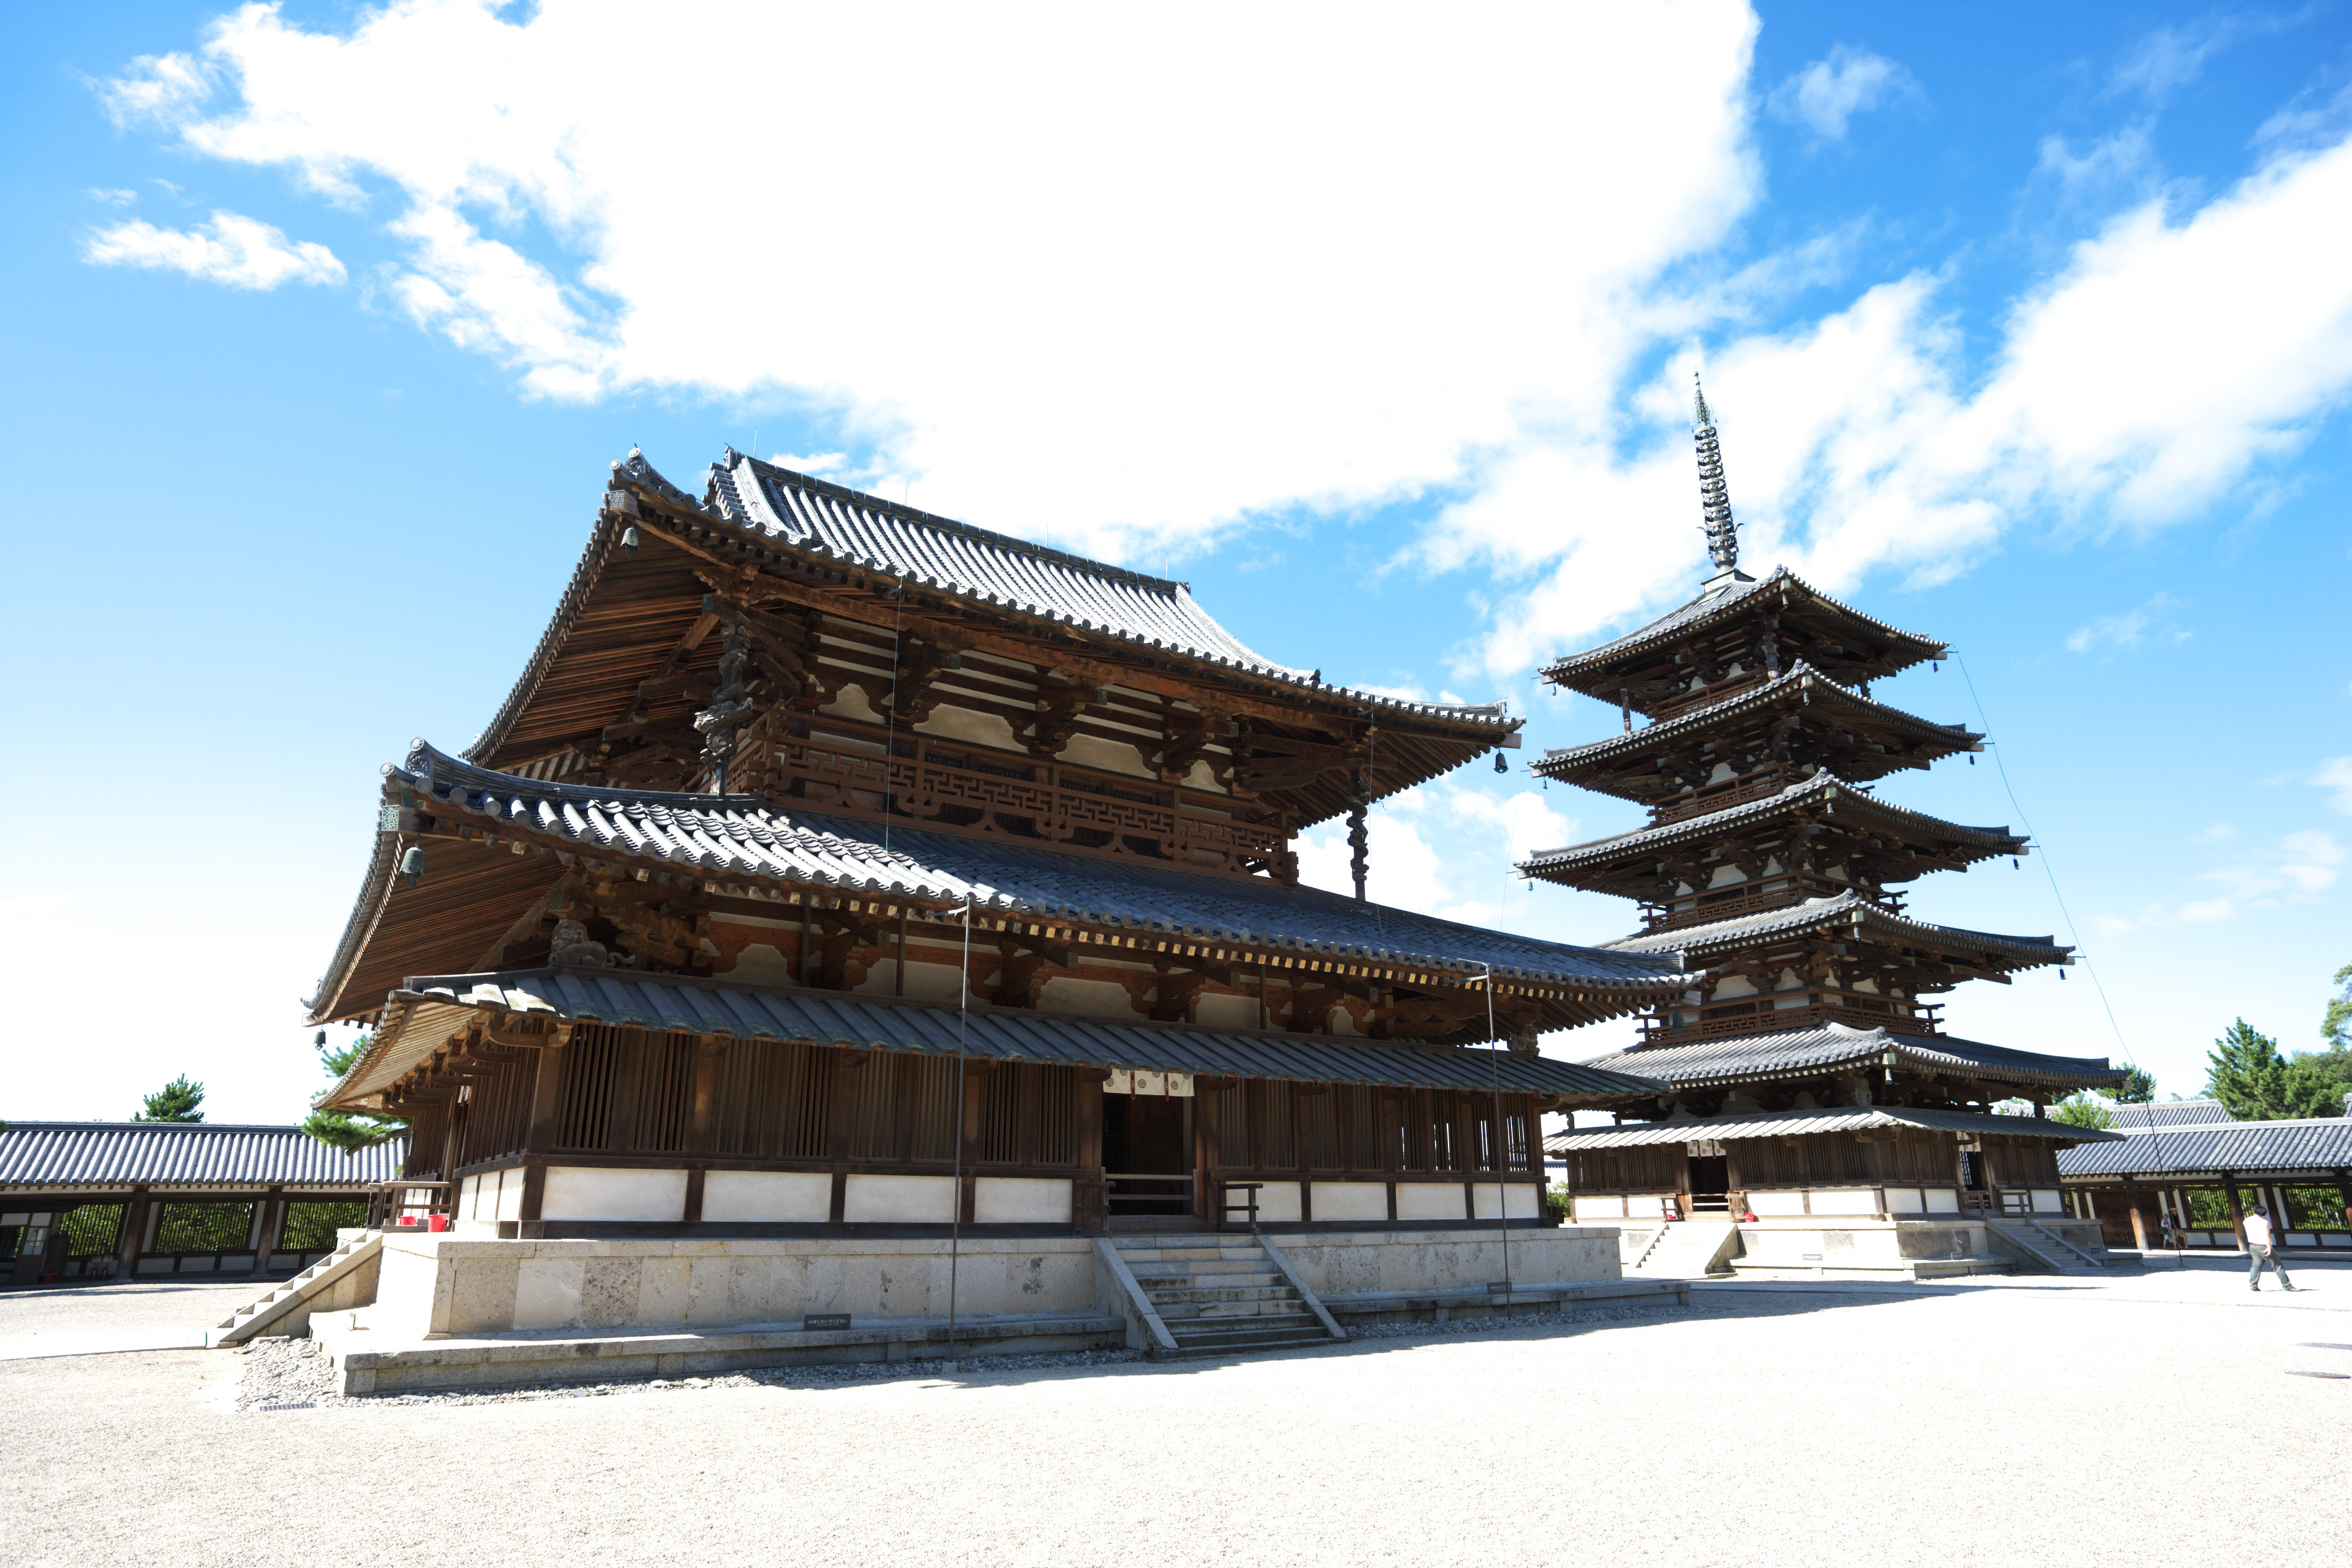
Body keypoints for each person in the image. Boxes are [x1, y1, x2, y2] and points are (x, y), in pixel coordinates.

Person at [2243, 1205, 2297, 1292]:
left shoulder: (2247, 1220)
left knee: (2256, 1265)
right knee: (2278, 1266)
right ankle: (2287, 1286)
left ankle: (2253, 1284)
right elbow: (2267, 1235)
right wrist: (2269, 1247)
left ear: (2254, 1212)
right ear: (2264, 1214)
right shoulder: (2264, 1223)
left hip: (2253, 1246)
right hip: (2263, 1246)